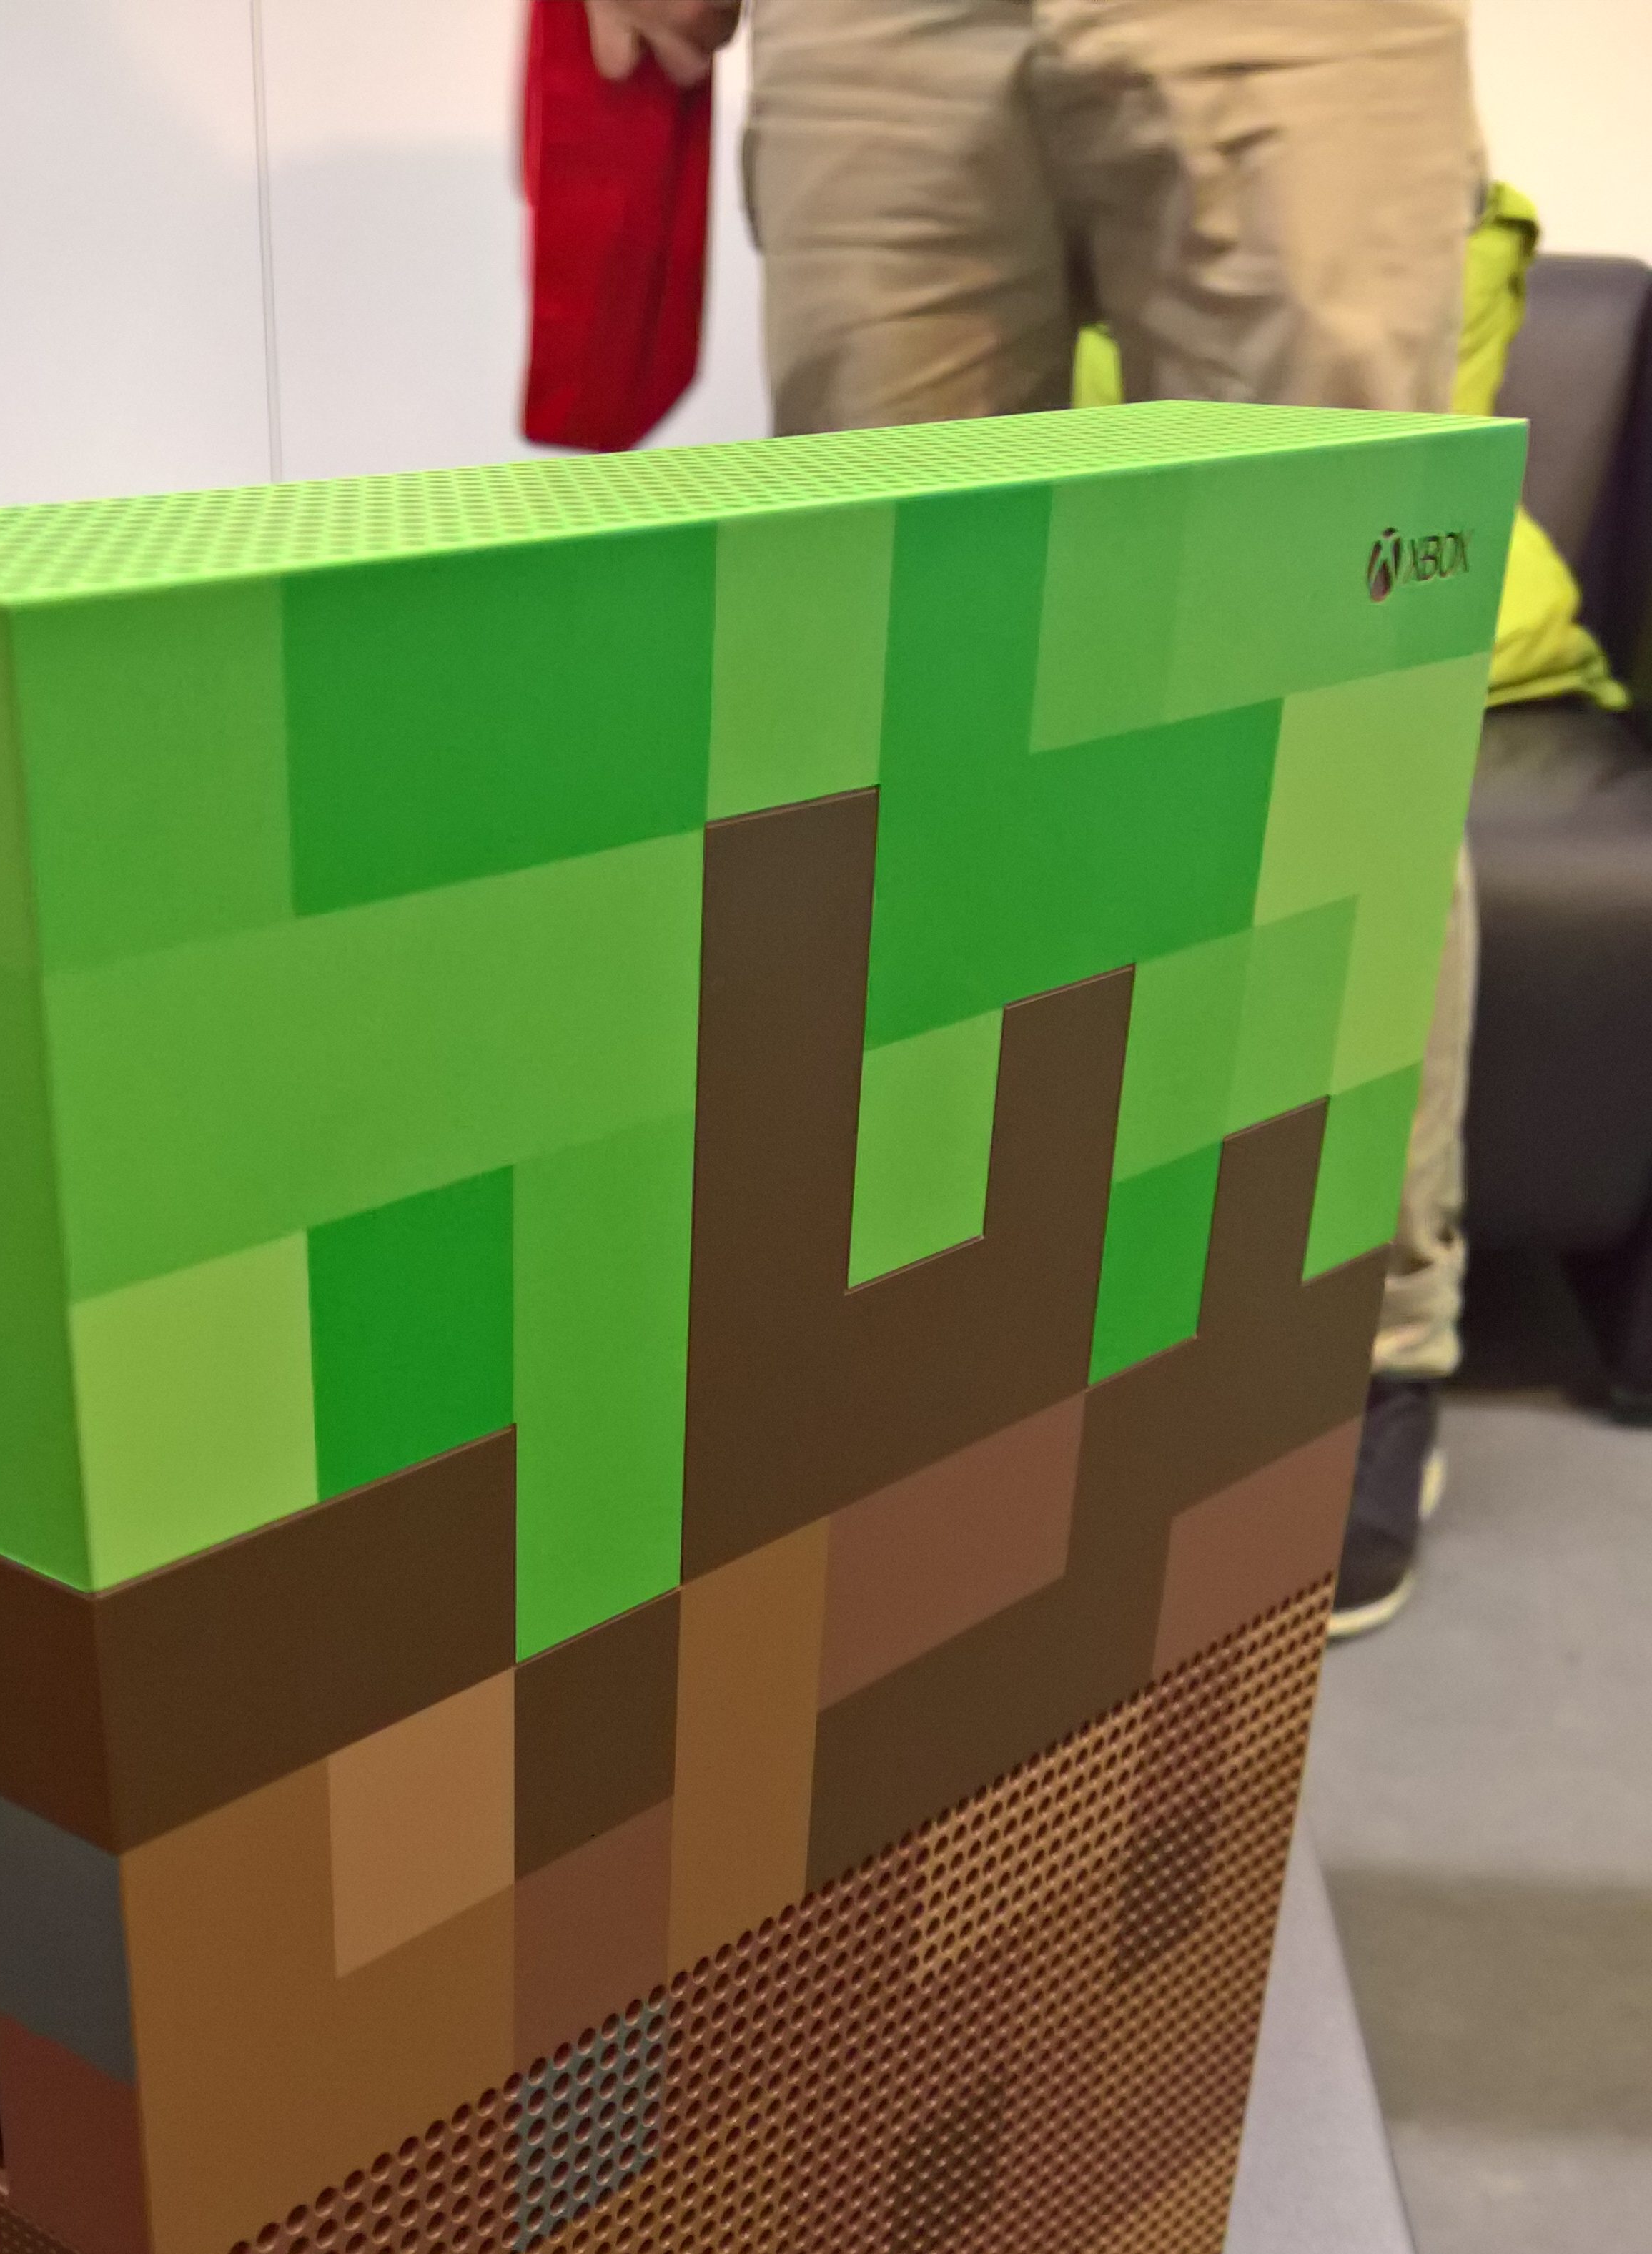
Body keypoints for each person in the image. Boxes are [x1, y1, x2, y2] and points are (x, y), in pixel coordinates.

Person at [583, 0, 1481, 1636]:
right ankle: (934, 1330)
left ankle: (1350, 1345)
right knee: (887, 703)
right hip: (878, 26)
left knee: (1341, 693)